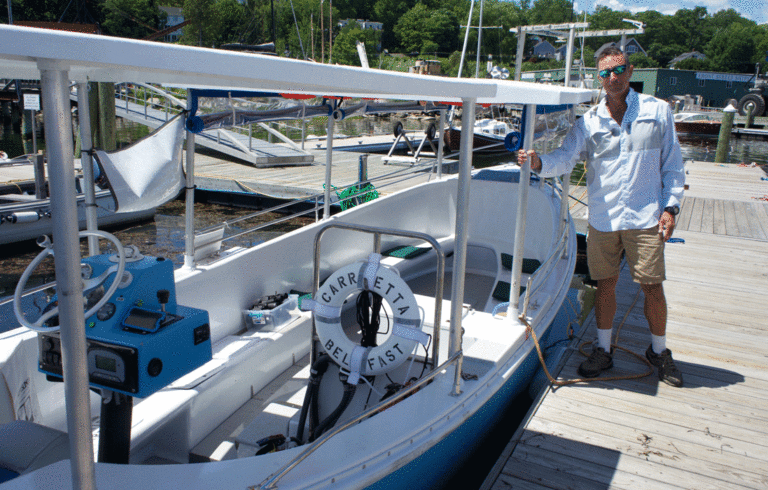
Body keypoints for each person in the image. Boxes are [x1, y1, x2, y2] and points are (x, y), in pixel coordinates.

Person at [517, 46, 685, 387]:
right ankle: (603, 349)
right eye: (606, 73)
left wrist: (671, 207)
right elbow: (565, 158)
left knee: (652, 287)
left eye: (619, 70)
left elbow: (673, 166)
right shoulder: (589, 121)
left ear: (630, 70)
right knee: (605, 286)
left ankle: (659, 351)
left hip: (646, 217)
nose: (613, 78)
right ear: (599, 77)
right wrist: (538, 163)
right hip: (603, 219)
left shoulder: (658, 111)